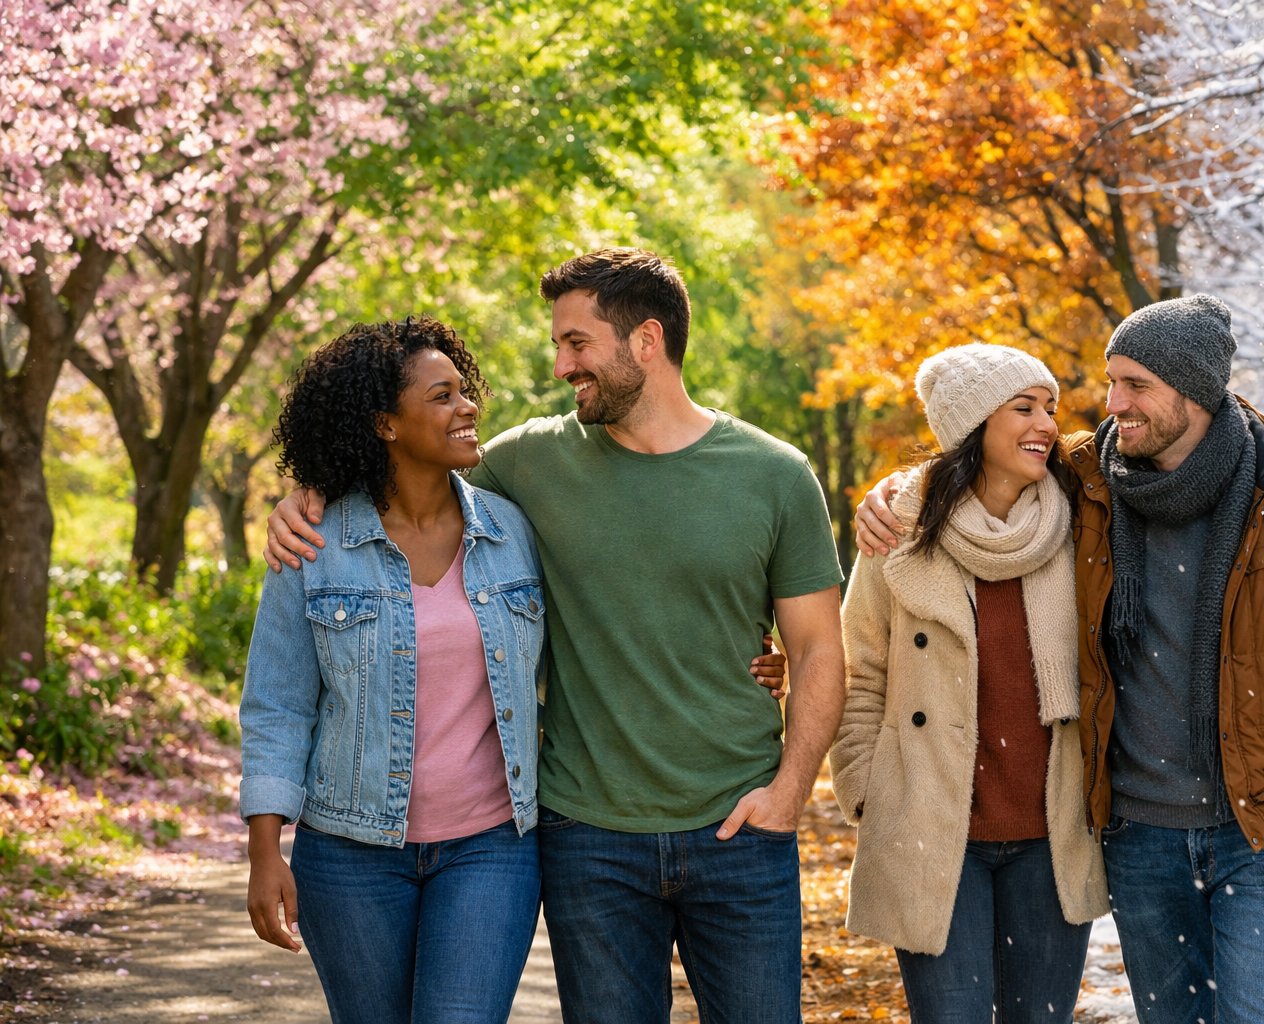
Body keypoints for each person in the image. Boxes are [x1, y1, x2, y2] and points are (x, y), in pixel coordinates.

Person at [263, 248, 846, 1023]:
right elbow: (407, 479)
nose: (563, 366)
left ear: (645, 341)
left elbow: (817, 651)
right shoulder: (526, 466)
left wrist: (791, 792)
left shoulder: (774, 474)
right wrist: (310, 492)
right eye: (558, 346)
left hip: (738, 827)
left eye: (577, 344)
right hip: (587, 836)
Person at [854, 295, 1264, 1024]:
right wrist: (889, 495)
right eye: (1111, 383)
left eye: (1136, 386)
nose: (1113, 405)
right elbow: (971, 468)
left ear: (1195, 389)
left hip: (1263, 826)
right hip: (1140, 834)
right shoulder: (1091, 481)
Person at [239, 316, 545, 1024]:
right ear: (384, 423)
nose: (468, 407)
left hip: (490, 847)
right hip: (349, 856)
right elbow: (278, 705)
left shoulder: (514, 532)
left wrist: (752, 663)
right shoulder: (316, 546)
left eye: (464, 391)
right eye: (442, 397)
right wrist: (264, 852)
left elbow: (598, 642)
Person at [832, 344, 1109, 1023]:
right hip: (931, 832)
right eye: (1023, 408)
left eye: (1050, 407)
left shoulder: (1082, 516)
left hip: (1051, 836)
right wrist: (870, 789)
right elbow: (857, 669)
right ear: (972, 425)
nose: (1045, 423)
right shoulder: (901, 525)